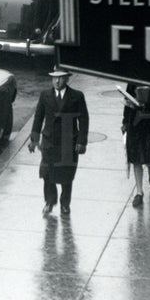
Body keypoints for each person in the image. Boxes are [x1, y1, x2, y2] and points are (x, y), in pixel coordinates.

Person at [28, 68, 90, 217]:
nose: (57, 81)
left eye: (61, 78)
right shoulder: (45, 96)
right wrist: (34, 139)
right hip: (49, 141)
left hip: (68, 141)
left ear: (67, 78)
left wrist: (82, 141)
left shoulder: (76, 96)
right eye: (54, 78)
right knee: (47, 174)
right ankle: (50, 201)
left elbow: (84, 119)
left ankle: (65, 204)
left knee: (67, 175)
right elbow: (38, 118)